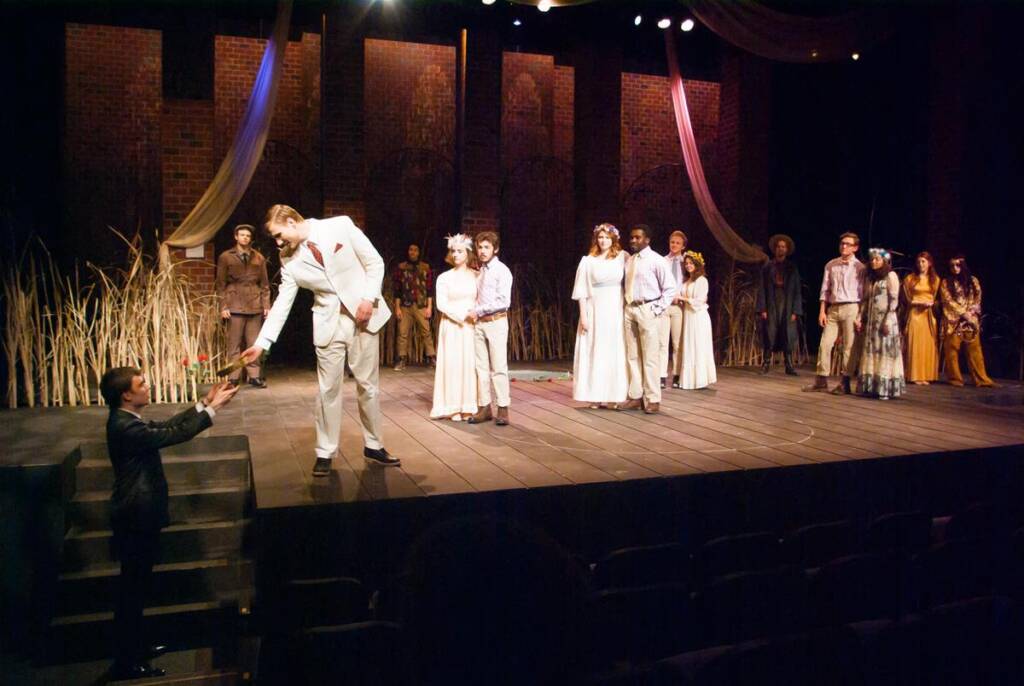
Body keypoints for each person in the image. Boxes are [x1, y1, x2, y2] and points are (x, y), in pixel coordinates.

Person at [241, 205, 400, 477]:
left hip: (362, 317)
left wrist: (367, 298)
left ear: (291, 221)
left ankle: (374, 445)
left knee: (368, 385)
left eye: (279, 234)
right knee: (328, 390)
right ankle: (325, 451)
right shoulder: (288, 259)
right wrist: (262, 342)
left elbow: (375, 263)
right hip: (328, 323)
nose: (279, 242)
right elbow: (283, 302)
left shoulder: (340, 226)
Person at [100, 367, 237, 680]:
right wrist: (214, 410)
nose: (148, 387)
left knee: (137, 586)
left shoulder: (127, 419)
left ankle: (135, 647)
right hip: (135, 516)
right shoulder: (124, 427)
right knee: (132, 590)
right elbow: (172, 435)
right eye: (141, 384)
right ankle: (127, 660)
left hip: (138, 514)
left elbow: (165, 425)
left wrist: (204, 403)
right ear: (126, 395)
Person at [571, 223, 628, 408]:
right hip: (595, 308)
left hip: (615, 308)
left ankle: (614, 395)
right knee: (595, 349)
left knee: (614, 349)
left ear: (614, 239)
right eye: (600, 237)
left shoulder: (622, 257)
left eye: (607, 237)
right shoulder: (588, 260)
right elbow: (581, 290)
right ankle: (595, 395)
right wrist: (584, 316)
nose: (603, 240)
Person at [621, 225, 676, 413]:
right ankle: (635, 396)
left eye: (637, 237)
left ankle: (653, 398)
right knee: (632, 355)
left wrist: (656, 309)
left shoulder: (657, 260)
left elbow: (670, 288)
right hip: (631, 309)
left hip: (647, 308)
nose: (633, 240)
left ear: (647, 240)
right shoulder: (630, 261)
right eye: (632, 237)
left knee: (650, 357)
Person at [804, 232, 866, 395]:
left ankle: (844, 382)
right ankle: (821, 380)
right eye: (842, 243)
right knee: (825, 344)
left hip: (851, 307)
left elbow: (863, 294)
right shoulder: (831, 265)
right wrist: (822, 311)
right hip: (833, 307)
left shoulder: (860, 268)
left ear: (855, 247)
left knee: (849, 347)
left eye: (848, 244)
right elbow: (825, 289)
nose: (844, 246)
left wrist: (860, 316)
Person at [216, 224, 271, 388]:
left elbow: (265, 285)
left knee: (253, 343)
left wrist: (266, 305)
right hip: (235, 304)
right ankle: (233, 377)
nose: (245, 238)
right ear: (236, 237)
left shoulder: (258, 258)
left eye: (248, 235)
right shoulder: (226, 257)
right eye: (242, 235)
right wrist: (223, 306)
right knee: (234, 344)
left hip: (254, 304)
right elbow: (220, 284)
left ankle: (254, 376)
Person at [467, 231, 513, 426]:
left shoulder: (502, 270)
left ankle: (503, 407)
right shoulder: (481, 271)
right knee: (481, 367)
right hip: (479, 323)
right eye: (480, 247)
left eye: (487, 247)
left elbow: (503, 301)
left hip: (495, 321)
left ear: (496, 249)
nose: (483, 251)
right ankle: (484, 406)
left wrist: (478, 310)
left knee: (499, 367)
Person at [430, 235, 479, 420]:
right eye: (454, 251)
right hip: (452, 325)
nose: (456, 254)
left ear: (467, 253)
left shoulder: (476, 275)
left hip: (470, 326)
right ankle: (452, 406)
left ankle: (468, 405)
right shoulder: (444, 278)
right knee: (452, 364)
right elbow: (441, 304)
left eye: (460, 251)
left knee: (469, 364)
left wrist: (474, 313)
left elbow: (480, 299)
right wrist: (460, 316)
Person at [856, 248, 905, 400]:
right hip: (872, 322)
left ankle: (885, 388)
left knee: (884, 352)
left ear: (884, 261)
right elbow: (866, 299)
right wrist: (859, 317)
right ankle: (871, 387)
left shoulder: (891, 276)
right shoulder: (871, 279)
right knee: (872, 352)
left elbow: (894, 300)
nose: (874, 262)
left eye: (877, 259)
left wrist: (888, 320)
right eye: (872, 259)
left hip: (885, 320)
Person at [939, 255, 995, 387]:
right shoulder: (946, 282)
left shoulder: (973, 281)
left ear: (963, 265)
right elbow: (947, 301)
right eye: (952, 265)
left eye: (957, 265)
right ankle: (955, 379)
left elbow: (977, 297)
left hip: (970, 320)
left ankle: (981, 379)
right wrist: (962, 313)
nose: (955, 268)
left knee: (974, 349)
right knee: (951, 350)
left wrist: (970, 312)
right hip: (954, 320)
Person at [756, 234, 803, 376]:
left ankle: (789, 365)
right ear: (775, 249)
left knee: (787, 332)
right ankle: (765, 363)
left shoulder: (791, 268)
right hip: (772, 301)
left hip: (787, 302)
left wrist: (796, 310)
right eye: (778, 247)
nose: (780, 249)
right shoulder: (767, 267)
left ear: (787, 250)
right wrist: (762, 308)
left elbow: (797, 290)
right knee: (769, 332)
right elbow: (762, 288)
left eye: (783, 247)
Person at [392, 242, 436, 371]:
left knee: (426, 332)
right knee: (403, 333)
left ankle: (431, 357)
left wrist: (429, 307)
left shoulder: (425, 267)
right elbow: (397, 290)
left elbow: (429, 289)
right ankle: (401, 359)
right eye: (410, 250)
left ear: (418, 252)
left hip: (421, 305)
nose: (413, 252)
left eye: (415, 250)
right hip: (406, 305)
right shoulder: (401, 267)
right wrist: (397, 308)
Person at [678, 251, 717, 390]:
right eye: (687, 263)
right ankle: (689, 380)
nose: (688, 266)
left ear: (697, 264)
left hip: (698, 316)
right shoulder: (687, 281)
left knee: (699, 345)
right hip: (689, 316)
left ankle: (700, 379)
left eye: (691, 263)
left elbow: (700, 301)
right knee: (690, 345)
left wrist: (684, 299)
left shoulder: (702, 280)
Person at [901, 251, 940, 384]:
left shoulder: (935, 279)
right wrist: (917, 302)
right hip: (915, 313)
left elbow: (935, 298)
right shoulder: (910, 278)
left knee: (927, 344)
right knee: (915, 344)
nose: (920, 264)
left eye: (923, 261)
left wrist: (930, 304)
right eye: (918, 262)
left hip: (928, 315)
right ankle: (914, 375)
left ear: (929, 263)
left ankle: (926, 375)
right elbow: (906, 298)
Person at [660, 230, 687, 389]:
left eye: (678, 243)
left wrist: (681, 296)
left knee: (677, 343)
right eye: (672, 242)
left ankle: (676, 375)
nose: (674, 245)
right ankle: (661, 375)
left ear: (683, 246)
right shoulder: (663, 261)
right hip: (665, 306)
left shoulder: (686, 262)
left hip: (678, 307)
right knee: (663, 343)